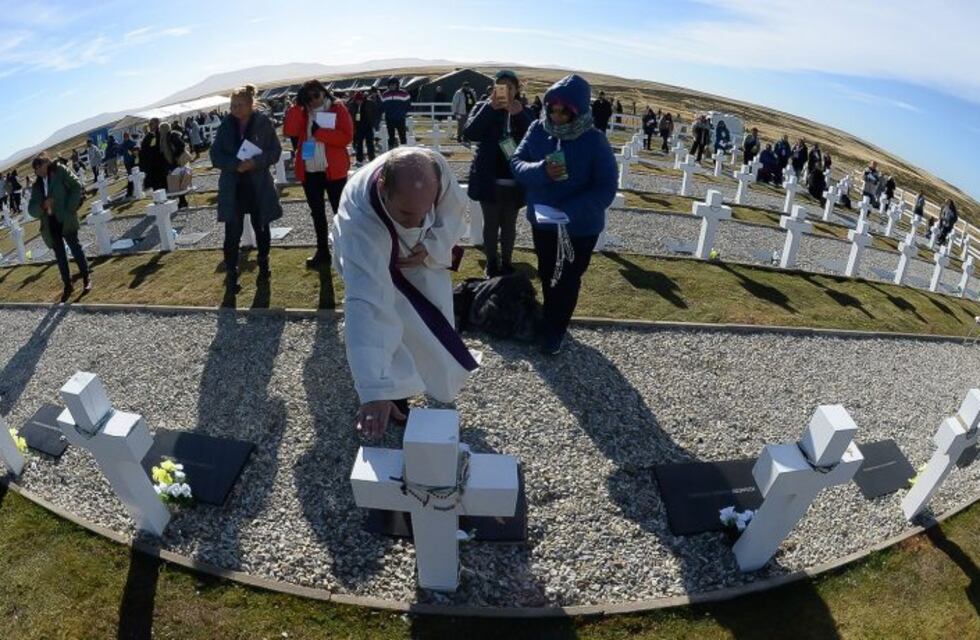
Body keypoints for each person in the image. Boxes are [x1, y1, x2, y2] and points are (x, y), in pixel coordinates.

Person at [332, 147, 476, 438]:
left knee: (427, 315)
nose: (416, 221)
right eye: (406, 213)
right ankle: (391, 390)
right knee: (385, 312)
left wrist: (433, 244)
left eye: (424, 211)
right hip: (371, 250)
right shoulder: (359, 223)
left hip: (419, 254)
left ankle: (418, 376)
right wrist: (373, 388)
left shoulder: (434, 165)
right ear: (384, 188)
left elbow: (454, 210)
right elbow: (366, 304)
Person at [511, 74, 618, 355]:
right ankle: (549, 318)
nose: (556, 117)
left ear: (578, 111)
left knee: (568, 278)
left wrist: (568, 211)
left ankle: (556, 330)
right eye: (552, 109)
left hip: (579, 228)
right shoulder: (537, 129)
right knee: (548, 273)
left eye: (564, 111)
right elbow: (516, 162)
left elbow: (606, 189)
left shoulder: (595, 141)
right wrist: (540, 171)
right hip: (544, 223)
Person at [209, 85, 283, 290]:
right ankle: (232, 274)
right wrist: (235, 165)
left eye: (240, 105)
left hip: (258, 185)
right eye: (233, 105)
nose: (236, 109)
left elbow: (275, 151)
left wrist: (256, 162)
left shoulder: (262, 123)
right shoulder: (225, 126)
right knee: (232, 232)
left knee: (262, 226)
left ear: (251, 104)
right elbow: (215, 156)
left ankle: (263, 264)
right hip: (234, 188)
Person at [464, 69, 533, 278]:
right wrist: (489, 109)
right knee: (491, 224)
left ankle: (507, 263)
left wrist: (520, 115)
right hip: (489, 177)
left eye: (510, 87)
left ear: (516, 89)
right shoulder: (483, 106)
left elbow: (535, 137)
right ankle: (491, 264)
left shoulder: (524, 109)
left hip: (514, 178)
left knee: (509, 225)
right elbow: (469, 133)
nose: (506, 91)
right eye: (501, 86)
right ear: (495, 88)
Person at [283, 81, 353, 268]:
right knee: (317, 213)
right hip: (310, 170)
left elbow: (346, 137)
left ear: (324, 93)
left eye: (316, 95)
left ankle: (348, 250)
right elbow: (289, 130)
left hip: (333, 170)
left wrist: (320, 133)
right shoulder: (304, 112)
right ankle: (322, 251)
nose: (313, 100)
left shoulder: (337, 109)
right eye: (308, 97)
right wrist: (297, 107)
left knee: (340, 211)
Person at [27, 152, 92, 302]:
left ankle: (86, 277)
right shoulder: (37, 186)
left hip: (66, 218)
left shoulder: (60, 171)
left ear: (46, 163)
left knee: (75, 248)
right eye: (36, 170)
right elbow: (32, 209)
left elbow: (76, 186)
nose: (38, 171)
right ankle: (68, 285)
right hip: (50, 224)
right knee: (60, 256)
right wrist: (43, 205)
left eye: (39, 167)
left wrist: (70, 207)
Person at [158, 122, 189, 208]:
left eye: (161, 129)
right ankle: (182, 201)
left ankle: (183, 201)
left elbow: (181, 145)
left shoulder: (171, 136)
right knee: (176, 182)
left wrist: (176, 156)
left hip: (175, 163)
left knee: (178, 181)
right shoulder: (164, 138)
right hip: (171, 163)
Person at [139, 118, 169, 193]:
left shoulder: (162, 134)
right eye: (149, 124)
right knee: (157, 189)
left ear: (157, 124)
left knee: (165, 186)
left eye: (151, 124)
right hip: (153, 167)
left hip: (162, 165)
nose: (150, 126)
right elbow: (144, 152)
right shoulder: (148, 137)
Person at [349, 91, 379, 165]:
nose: (358, 102)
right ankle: (359, 160)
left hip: (368, 126)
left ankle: (372, 159)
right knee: (358, 144)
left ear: (363, 99)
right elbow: (349, 115)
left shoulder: (370, 103)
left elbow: (376, 113)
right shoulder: (352, 105)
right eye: (357, 101)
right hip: (358, 127)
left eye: (360, 100)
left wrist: (375, 124)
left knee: (370, 143)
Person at [381, 78, 411, 149]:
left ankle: (404, 151)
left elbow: (408, 105)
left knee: (402, 136)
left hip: (400, 118)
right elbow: (382, 106)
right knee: (391, 136)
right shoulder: (385, 94)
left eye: (394, 85)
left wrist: (403, 113)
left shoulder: (404, 93)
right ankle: (391, 152)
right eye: (390, 85)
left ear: (397, 85)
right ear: (388, 86)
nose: (392, 86)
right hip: (389, 118)